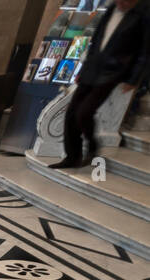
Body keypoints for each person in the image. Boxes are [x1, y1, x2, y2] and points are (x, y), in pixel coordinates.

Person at [52, 0, 150, 168]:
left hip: (113, 72)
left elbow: (145, 50)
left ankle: (92, 145)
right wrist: (83, 70)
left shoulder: (143, 13)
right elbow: (97, 40)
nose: (120, 2)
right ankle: (72, 157)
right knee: (71, 114)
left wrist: (133, 78)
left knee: (84, 112)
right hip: (93, 68)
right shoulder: (112, 9)